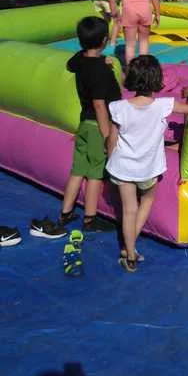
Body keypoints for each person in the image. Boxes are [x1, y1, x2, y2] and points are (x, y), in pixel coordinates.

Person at [106, 55, 188, 272]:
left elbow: (112, 138)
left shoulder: (119, 107)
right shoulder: (162, 105)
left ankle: (130, 252)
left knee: (128, 210)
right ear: (156, 80)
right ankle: (129, 247)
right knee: (146, 200)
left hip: (123, 167)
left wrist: (110, 159)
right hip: (148, 168)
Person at [59, 16, 121, 232]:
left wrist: (100, 59)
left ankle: (66, 212)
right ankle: (90, 218)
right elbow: (99, 104)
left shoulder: (80, 62)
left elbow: (70, 63)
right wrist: (106, 135)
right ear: (104, 40)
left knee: (77, 169)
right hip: (97, 126)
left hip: (84, 124)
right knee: (95, 173)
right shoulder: (100, 71)